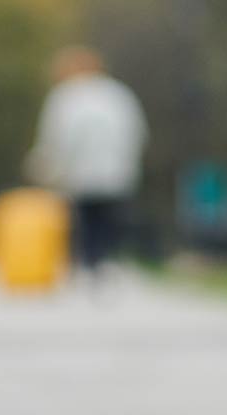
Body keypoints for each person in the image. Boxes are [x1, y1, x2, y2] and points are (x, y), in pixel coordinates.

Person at [26, 46, 148, 274]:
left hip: (79, 173)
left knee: (84, 220)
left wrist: (45, 165)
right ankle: (108, 262)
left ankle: (89, 264)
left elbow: (57, 137)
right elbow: (138, 131)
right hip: (117, 172)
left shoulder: (65, 97)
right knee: (109, 219)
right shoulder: (119, 94)